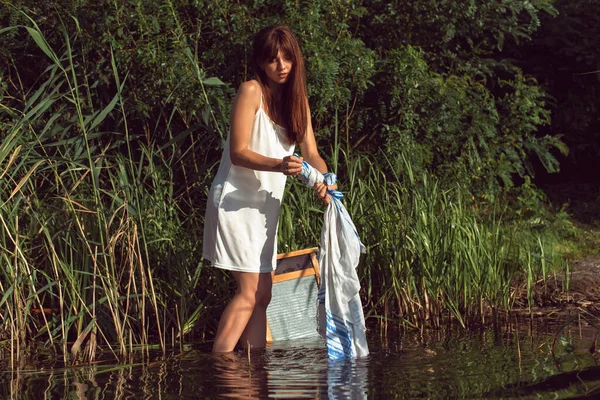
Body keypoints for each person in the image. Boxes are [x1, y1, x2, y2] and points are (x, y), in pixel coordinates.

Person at [203, 24, 332, 353]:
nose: (281, 65)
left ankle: (255, 372)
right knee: (248, 293)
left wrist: (325, 182)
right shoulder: (251, 91)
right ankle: (219, 370)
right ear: (261, 63)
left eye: (287, 57)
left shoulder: (297, 102)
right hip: (235, 203)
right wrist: (279, 163)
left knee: (264, 295)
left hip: (264, 209)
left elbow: (313, 154)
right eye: (273, 59)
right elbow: (238, 152)